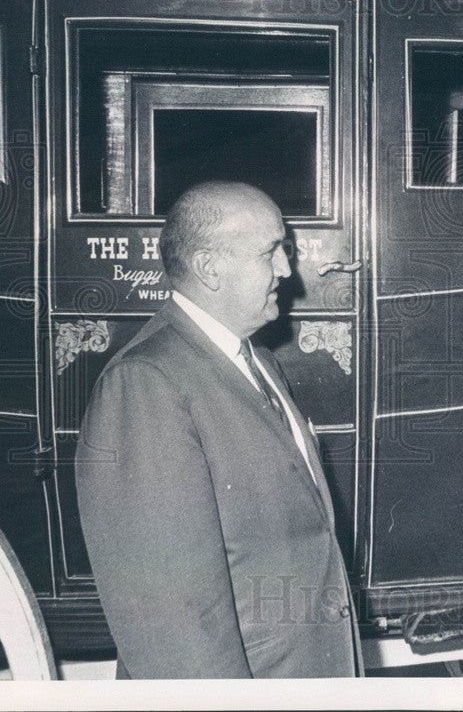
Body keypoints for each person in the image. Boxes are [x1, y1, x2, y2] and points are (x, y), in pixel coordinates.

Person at [76, 181, 361, 678]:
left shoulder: (258, 361)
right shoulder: (146, 383)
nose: (286, 270)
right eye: (270, 252)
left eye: (285, 250)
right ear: (210, 268)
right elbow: (171, 618)